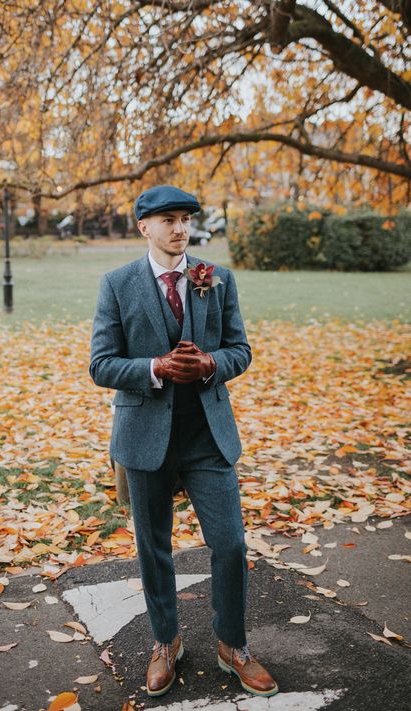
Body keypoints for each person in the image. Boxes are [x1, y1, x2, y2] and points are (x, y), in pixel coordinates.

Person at [89, 185, 279, 699]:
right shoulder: (117, 284)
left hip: (206, 437)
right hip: (145, 436)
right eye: (167, 219)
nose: (179, 228)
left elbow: (240, 349)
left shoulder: (216, 280)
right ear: (143, 227)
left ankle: (232, 646)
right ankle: (166, 642)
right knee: (153, 549)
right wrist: (155, 367)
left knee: (232, 543)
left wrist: (213, 364)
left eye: (185, 218)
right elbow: (100, 364)